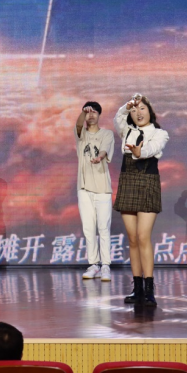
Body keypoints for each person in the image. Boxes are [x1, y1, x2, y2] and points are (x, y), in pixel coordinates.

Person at [114, 94, 169, 307]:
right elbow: (118, 118)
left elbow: (152, 149)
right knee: (132, 238)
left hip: (147, 183)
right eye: (135, 110)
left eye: (142, 109)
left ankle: (149, 289)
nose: (138, 113)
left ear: (150, 112)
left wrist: (139, 152)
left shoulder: (160, 133)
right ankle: (137, 288)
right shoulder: (127, 131)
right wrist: (126, 106)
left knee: (143, 236)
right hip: (127, 182)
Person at [75, 102, 115, 281]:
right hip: (84, 189)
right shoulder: (81, 134)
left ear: (99, 115)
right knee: (88, 228)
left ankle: (105, 265)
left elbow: (105, 149)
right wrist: (82, 114)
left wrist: (100, 157)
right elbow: (78, 125)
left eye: (94, 112)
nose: (91, 115)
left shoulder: (107, 134)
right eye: (88, 113)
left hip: (102, 188)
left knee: (103, 227)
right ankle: (93, 265)